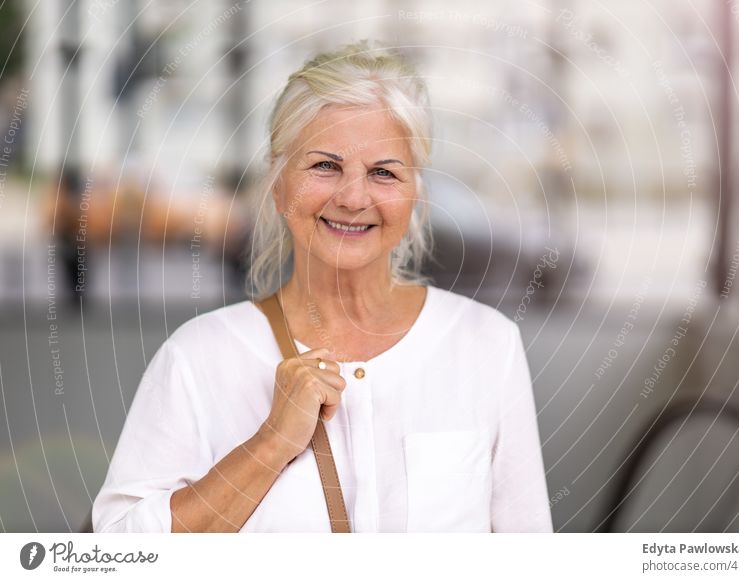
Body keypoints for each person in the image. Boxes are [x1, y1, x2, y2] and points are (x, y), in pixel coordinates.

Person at [92, 40, 552, 533]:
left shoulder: (487, 344)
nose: (354, 197)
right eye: (325, 166)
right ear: (279, 179)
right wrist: (270, 443)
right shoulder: (197, 359)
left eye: (383, 172)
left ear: (415, 192)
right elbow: (117, 555)